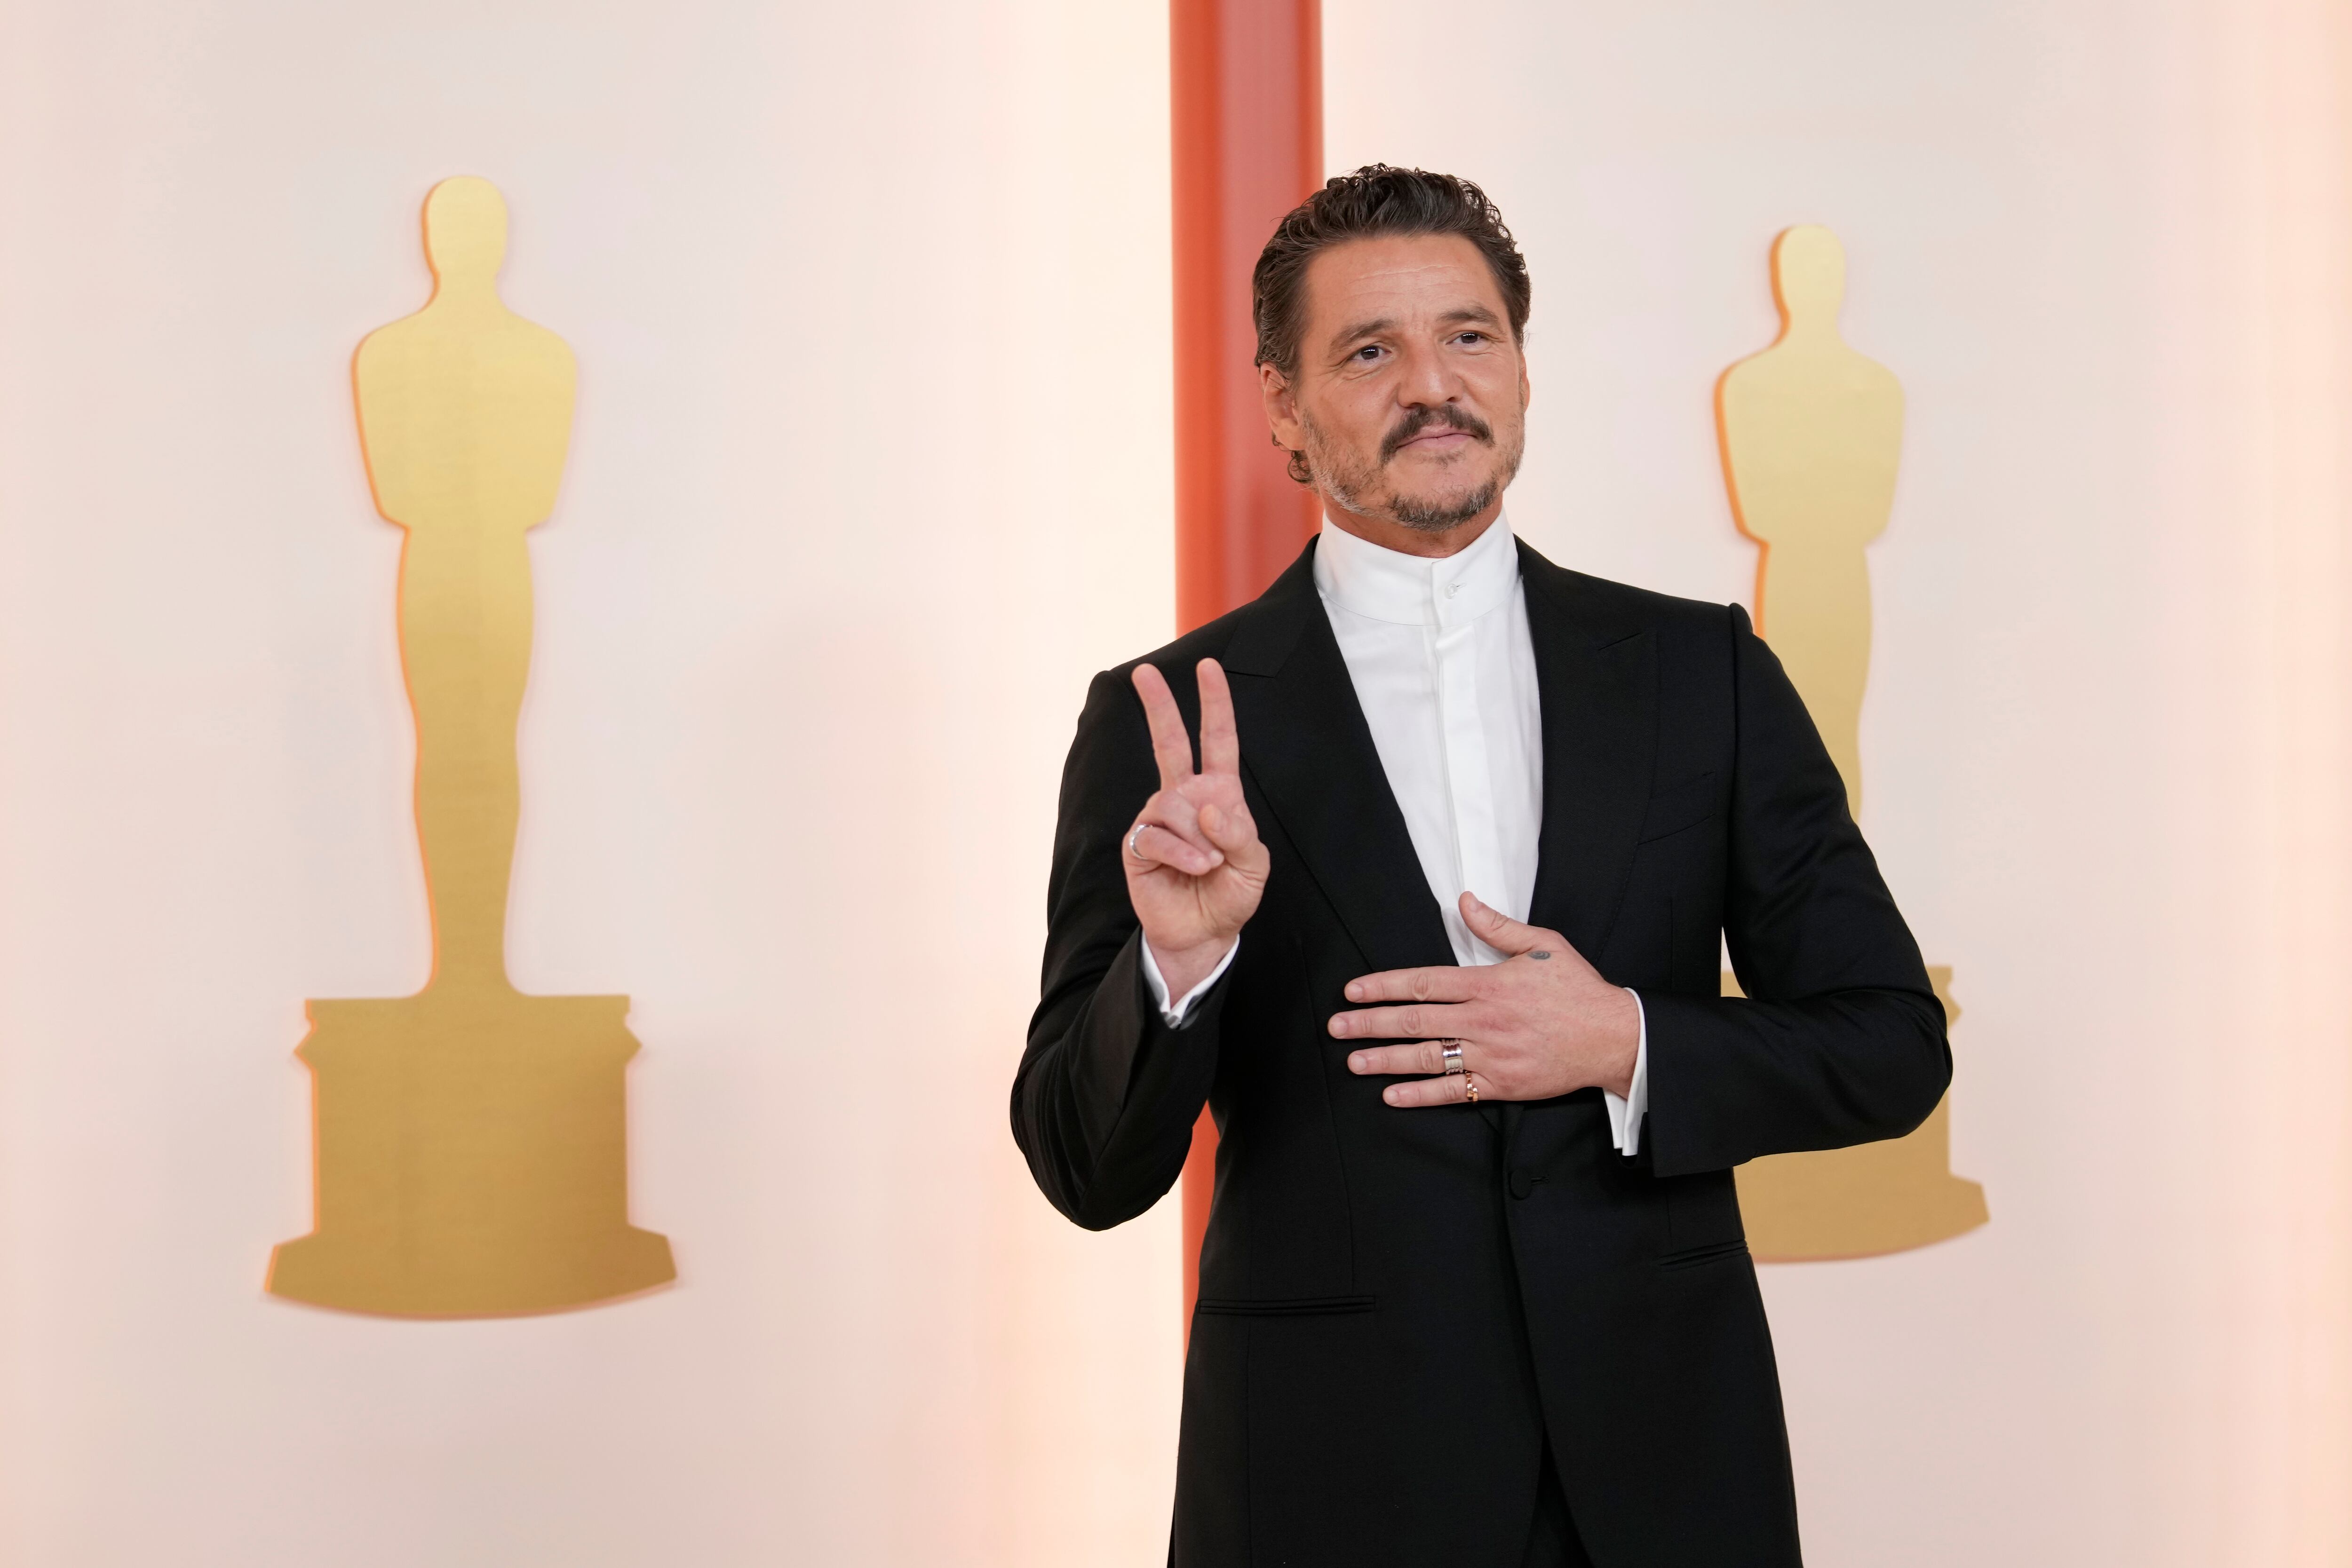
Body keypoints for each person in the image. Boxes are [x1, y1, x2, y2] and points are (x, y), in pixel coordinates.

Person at [1009, 165, 1947, 1568]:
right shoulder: (1168, 719)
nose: (1433, 386)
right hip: (1327, 1493)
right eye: (1368, 352)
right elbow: (1084, 1168)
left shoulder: (1702, 674)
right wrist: (1179, 964)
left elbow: (1890, 1047)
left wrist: (1624, 1042)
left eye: (1469, 336)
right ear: (1283, 406)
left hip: (1668, 1481)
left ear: (1519, 367)